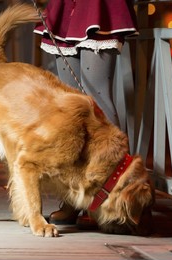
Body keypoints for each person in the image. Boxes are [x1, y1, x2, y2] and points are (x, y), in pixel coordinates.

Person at [33, 0, 138, 227]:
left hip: (98, 6)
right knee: (67, 108)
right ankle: (73, 197)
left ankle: (108, 198)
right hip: (64, 6)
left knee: (97, 98)